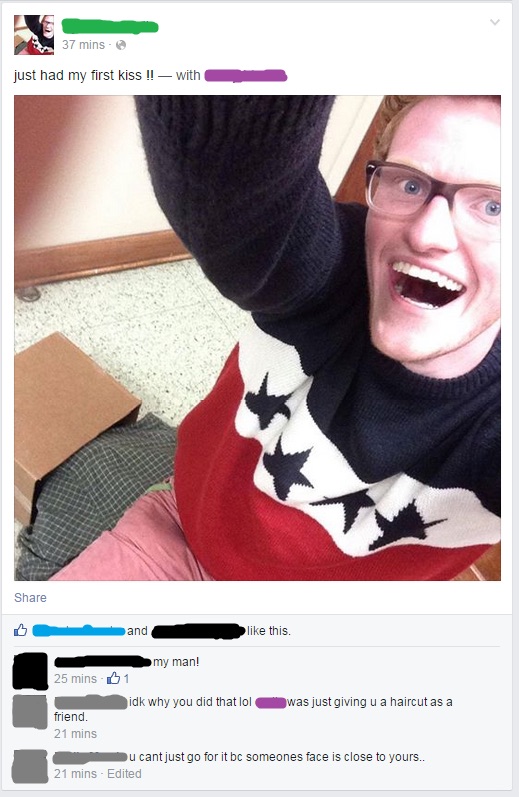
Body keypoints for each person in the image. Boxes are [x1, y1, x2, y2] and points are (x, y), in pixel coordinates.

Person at [51, 95, 500, 581]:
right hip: (183, 534)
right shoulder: (334, 264)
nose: (429, 233)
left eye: (494, 206)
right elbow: (232, 173)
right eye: (409, 184)